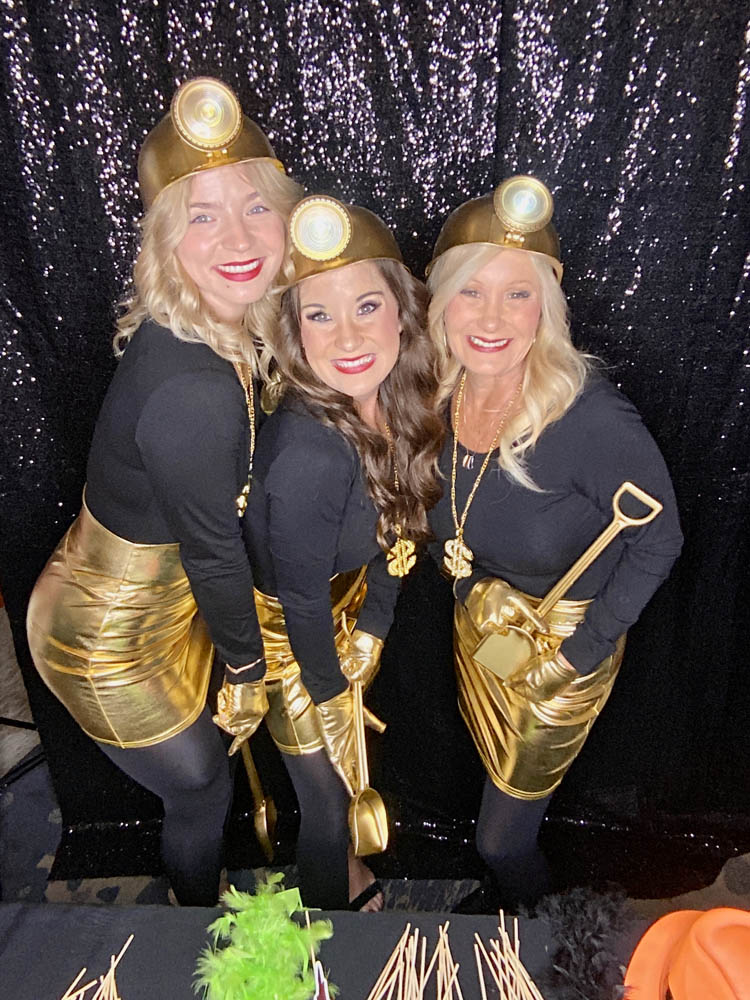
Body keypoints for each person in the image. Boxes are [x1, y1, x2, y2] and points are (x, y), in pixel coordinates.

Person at [26, 77, 302, 906]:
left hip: (165, 601)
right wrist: (247, 671)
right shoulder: (193, 390)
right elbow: (214, 553)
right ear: (167, 240)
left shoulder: (211, 323)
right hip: (104, 640)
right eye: (202, 216)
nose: (238, 237)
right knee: (201, 786)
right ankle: (193, 919)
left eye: (255, 206)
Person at [425, 175, 683, 910]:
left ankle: (545, 932)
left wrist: (579, 654)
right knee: (488, 765)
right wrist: (469, 587)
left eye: (518, 293)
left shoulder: (587, 416)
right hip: (487, 631)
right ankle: (511, 911)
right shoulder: (437, 395)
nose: (492, 317)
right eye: (471, 292)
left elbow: (661, 537)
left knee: (501, 839)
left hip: (564, 649)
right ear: (440, 304)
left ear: (546, 307)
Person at [232, 194, 443, 910]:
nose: (347, 336)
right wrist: (327, 696)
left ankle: (347, 872)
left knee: (346, 779)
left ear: (402, 313)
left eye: (366, 306)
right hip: (290, 639)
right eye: (319, 315)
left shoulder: (394, 402)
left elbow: (395, 529)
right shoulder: (309, 456)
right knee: (325, 801)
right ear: (296, 333)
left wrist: (375, 625)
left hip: (340, 610)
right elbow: (297, 602)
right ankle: (332, 927)